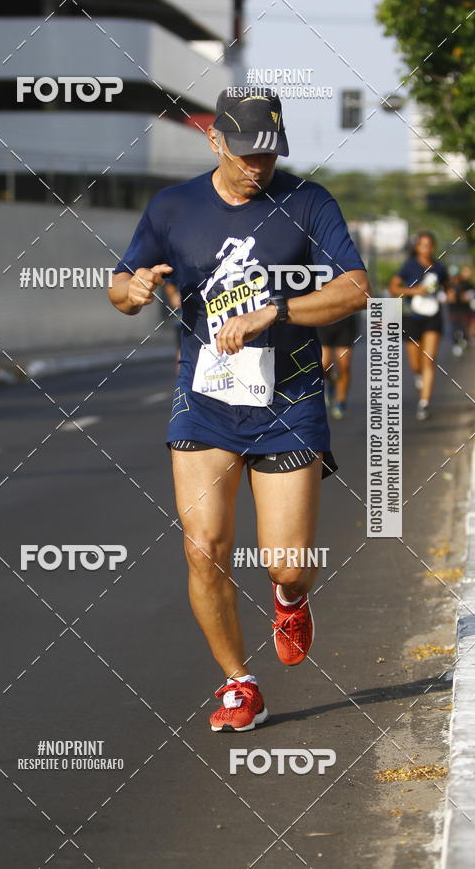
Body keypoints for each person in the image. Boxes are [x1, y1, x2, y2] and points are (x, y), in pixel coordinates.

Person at [108, 88, 369, 732]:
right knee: (203, 548)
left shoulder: (308, 202)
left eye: (271, 153)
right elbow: (121, 284)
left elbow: (355, 287)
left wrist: (275, 310)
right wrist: (133, 290)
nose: (260, 166)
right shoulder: (172, 206)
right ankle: (238, 684)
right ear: (215, 140)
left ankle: (288, 597)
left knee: (287, 562)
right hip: (203, 400)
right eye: (247, 152)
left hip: (289, 398)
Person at [389, 232, 449, 421]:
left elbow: (447, 288)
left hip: (433, 316)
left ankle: (424, 403)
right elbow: (393, 289)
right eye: (422, 245)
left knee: (429, 360)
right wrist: (414, 291)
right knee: (416, 363)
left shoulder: (439, 267)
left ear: (433, 247)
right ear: (417, 247)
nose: (426, 248)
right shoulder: (409, 266)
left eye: (429, 245)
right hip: (412, 317)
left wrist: (450, 294)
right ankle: (418, 375)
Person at [318, 314, 359, 418]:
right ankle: (331, 381)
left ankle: (341, 402)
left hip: (346, 321)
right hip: (323, 319)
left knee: (344, 364)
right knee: (324, 365)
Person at [447, 265, 475, 357]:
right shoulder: (448, 285)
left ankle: (465, 339)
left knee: (464, 327)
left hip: (465, 310)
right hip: (453, 311)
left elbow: (471, 294)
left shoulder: (467, 284)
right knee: (455, 327)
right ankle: (456, 344)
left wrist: (466, 296)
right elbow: (445, 296)